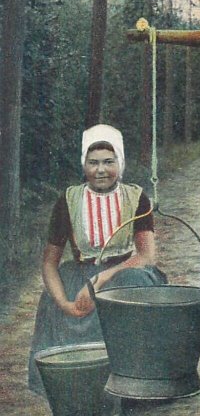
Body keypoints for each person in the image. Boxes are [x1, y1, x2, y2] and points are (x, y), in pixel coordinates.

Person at [28, 124, 166, 396]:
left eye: (108, 162)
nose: (100, 170)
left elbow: (147, 255)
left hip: (125, 274)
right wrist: (65, 304)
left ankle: (137, 382)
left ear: (120, 163)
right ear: (84, 165)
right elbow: (49, 262)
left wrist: (101, 277)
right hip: (80, 273)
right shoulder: (69, 200)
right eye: (93, 163)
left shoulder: (136, 197)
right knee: (63, 296)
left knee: (133, 287)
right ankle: (79, 388)